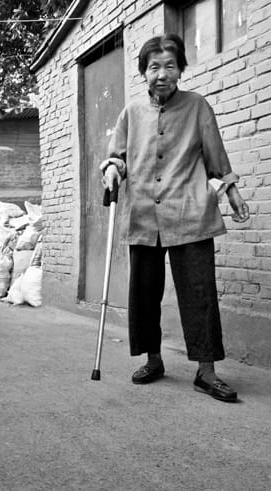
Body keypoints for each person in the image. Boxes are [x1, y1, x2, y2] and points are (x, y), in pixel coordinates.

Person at [101, 34, 250, 402]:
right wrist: (112, 169)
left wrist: (232, 192)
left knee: (199, 294)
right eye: (154, 67)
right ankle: (154, 360)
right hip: (143, 214)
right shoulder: (131, 113)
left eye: (170, 65)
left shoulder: (198, 106)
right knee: (145, 294)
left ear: (181, 69)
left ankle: (206, 371)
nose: (162, 74)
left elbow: (216, 156)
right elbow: (116, 154)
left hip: (190, 212)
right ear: (144, 72)